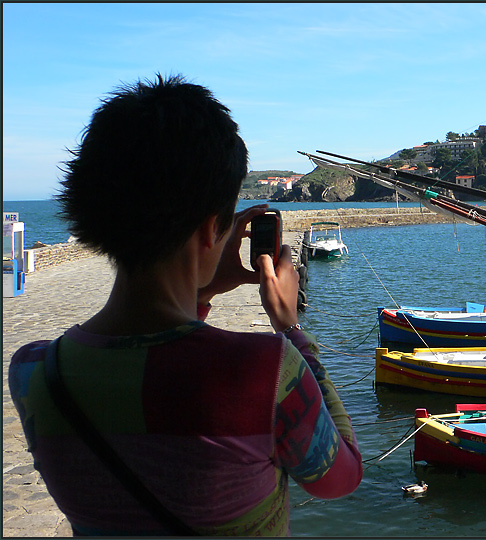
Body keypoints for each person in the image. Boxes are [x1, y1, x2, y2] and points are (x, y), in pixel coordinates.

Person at [8, 74, 362, 535]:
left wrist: (203, 290)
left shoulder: (34, 372)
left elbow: (153, 355)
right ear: (211, 228)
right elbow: (341, 477)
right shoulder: (267, 369)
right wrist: (291, 329)